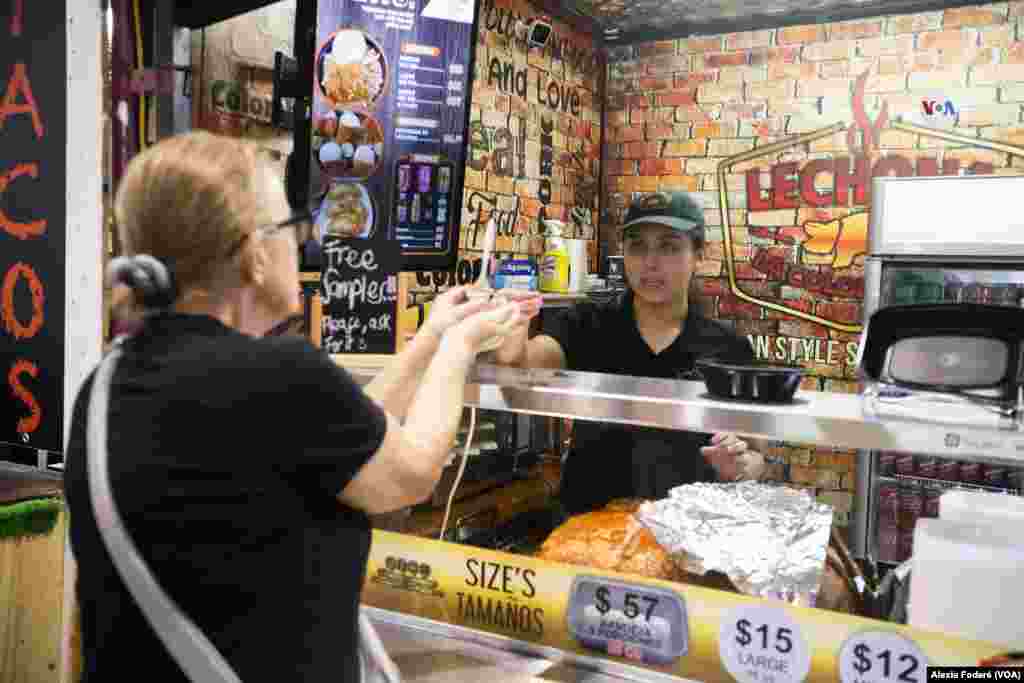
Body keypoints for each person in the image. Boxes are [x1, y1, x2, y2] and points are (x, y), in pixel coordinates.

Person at [63, 131, 530, 682]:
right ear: (256, 254)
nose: (301, 243)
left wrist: (430, 337)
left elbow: (337, 437)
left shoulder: (109, 380)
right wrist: (459, 349)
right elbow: (412, 472)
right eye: (292, 227)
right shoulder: (278, 374)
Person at [495, 191, 767, 515]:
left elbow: (756, 458)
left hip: (687, 533)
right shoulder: (587, 323)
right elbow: (531, 361)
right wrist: (511, 339)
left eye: (669, 246)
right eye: (638, 246)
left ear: (699, 254)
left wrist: (735, 465)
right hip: (588, 528)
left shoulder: (728, 346)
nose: (651, 263)